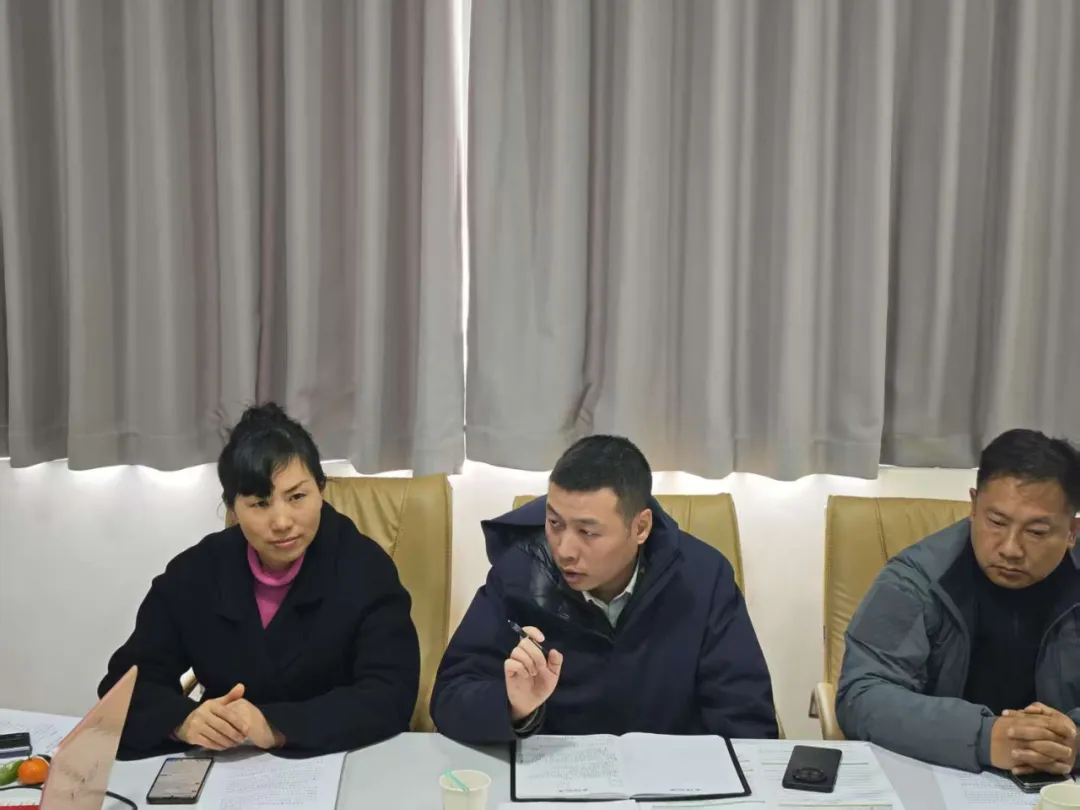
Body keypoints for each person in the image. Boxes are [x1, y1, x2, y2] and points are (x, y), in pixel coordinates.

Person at [98, 403, 420, 758]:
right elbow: (123, 687)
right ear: (233, 508)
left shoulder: (365, 570)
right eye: (260, 503)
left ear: (321, 489)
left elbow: (390, 694)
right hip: (226, 763)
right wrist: (183, 720)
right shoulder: (196, 573)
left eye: (297, 497)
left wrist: (276, 726)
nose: (282, 521)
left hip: (337, 758)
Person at [431, 434, 778, 744]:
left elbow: (746, 719)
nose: (565, 549)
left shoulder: (703, 578)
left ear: (640, 528)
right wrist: (513, 707)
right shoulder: (519, 573)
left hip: (669, 781)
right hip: (554, 779)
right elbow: (450, 696)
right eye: (554, 523)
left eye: (588, 532)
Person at [837, 428, 1080, 774]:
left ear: (1072, 532)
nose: (1011, 548)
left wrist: (1073, 741)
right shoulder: (917, 579)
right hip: (944, 774)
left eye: (1036, 532)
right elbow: (862, 695)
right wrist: (983, 737)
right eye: (997, 522)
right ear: (973, 507)